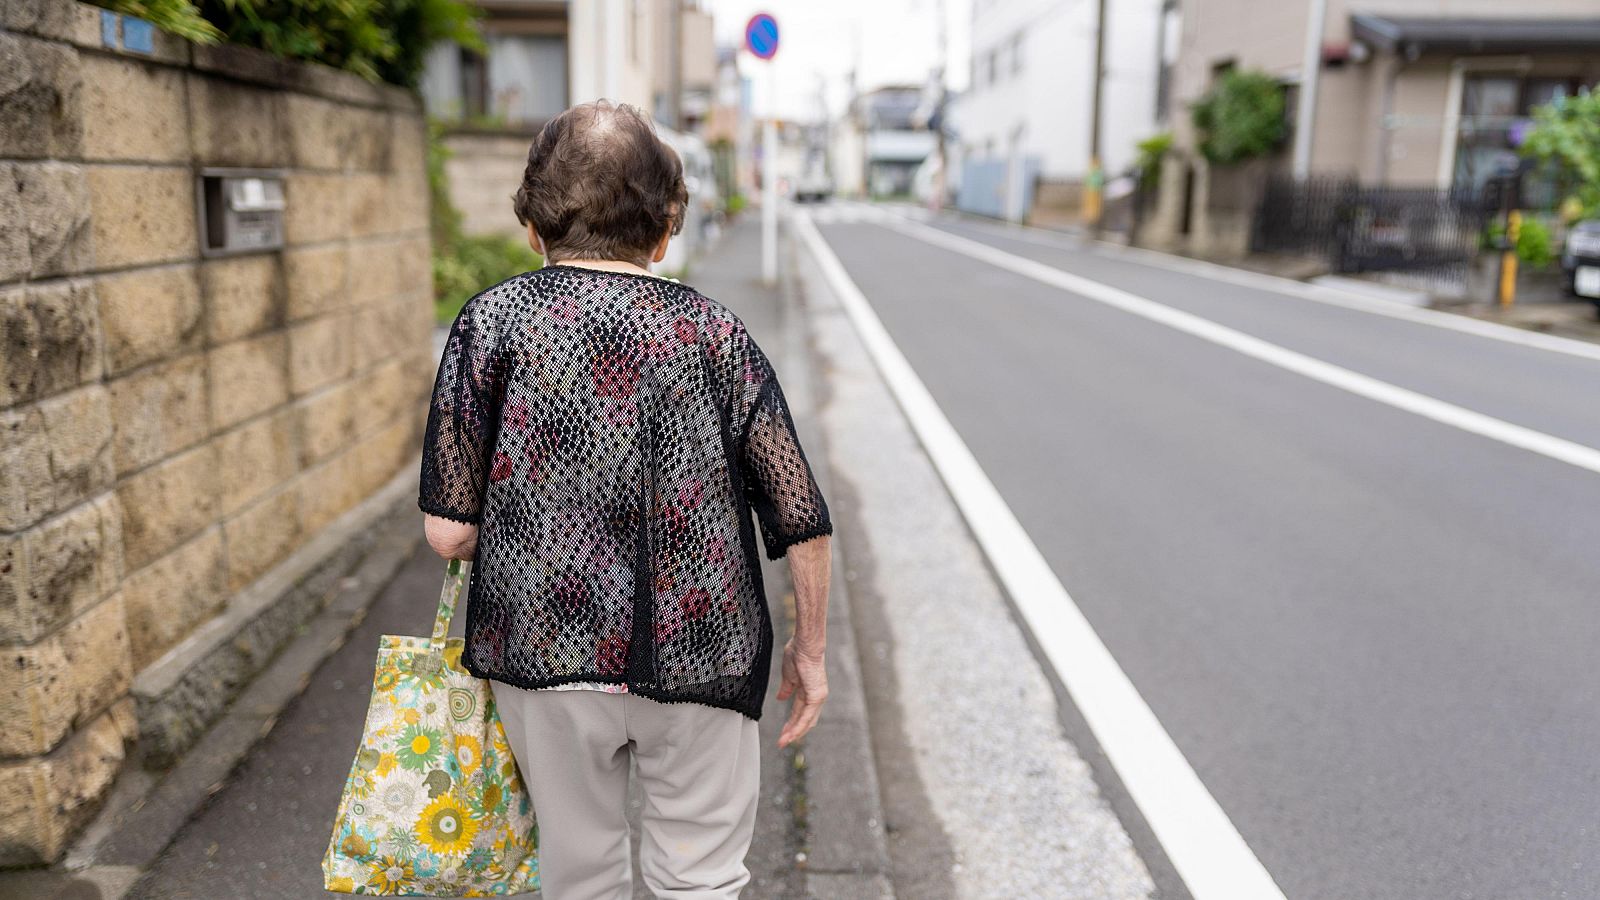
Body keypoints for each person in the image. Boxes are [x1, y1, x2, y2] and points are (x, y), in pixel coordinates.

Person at [417, 100, 834, 900]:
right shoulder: (715, 335)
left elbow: (447, 533)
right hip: (702, 647)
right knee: (703, 877)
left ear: (534, 225)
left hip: (545, 653)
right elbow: (800, 515)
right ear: (666, 226)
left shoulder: (491, 325)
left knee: (580, 875)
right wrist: (807, 654)